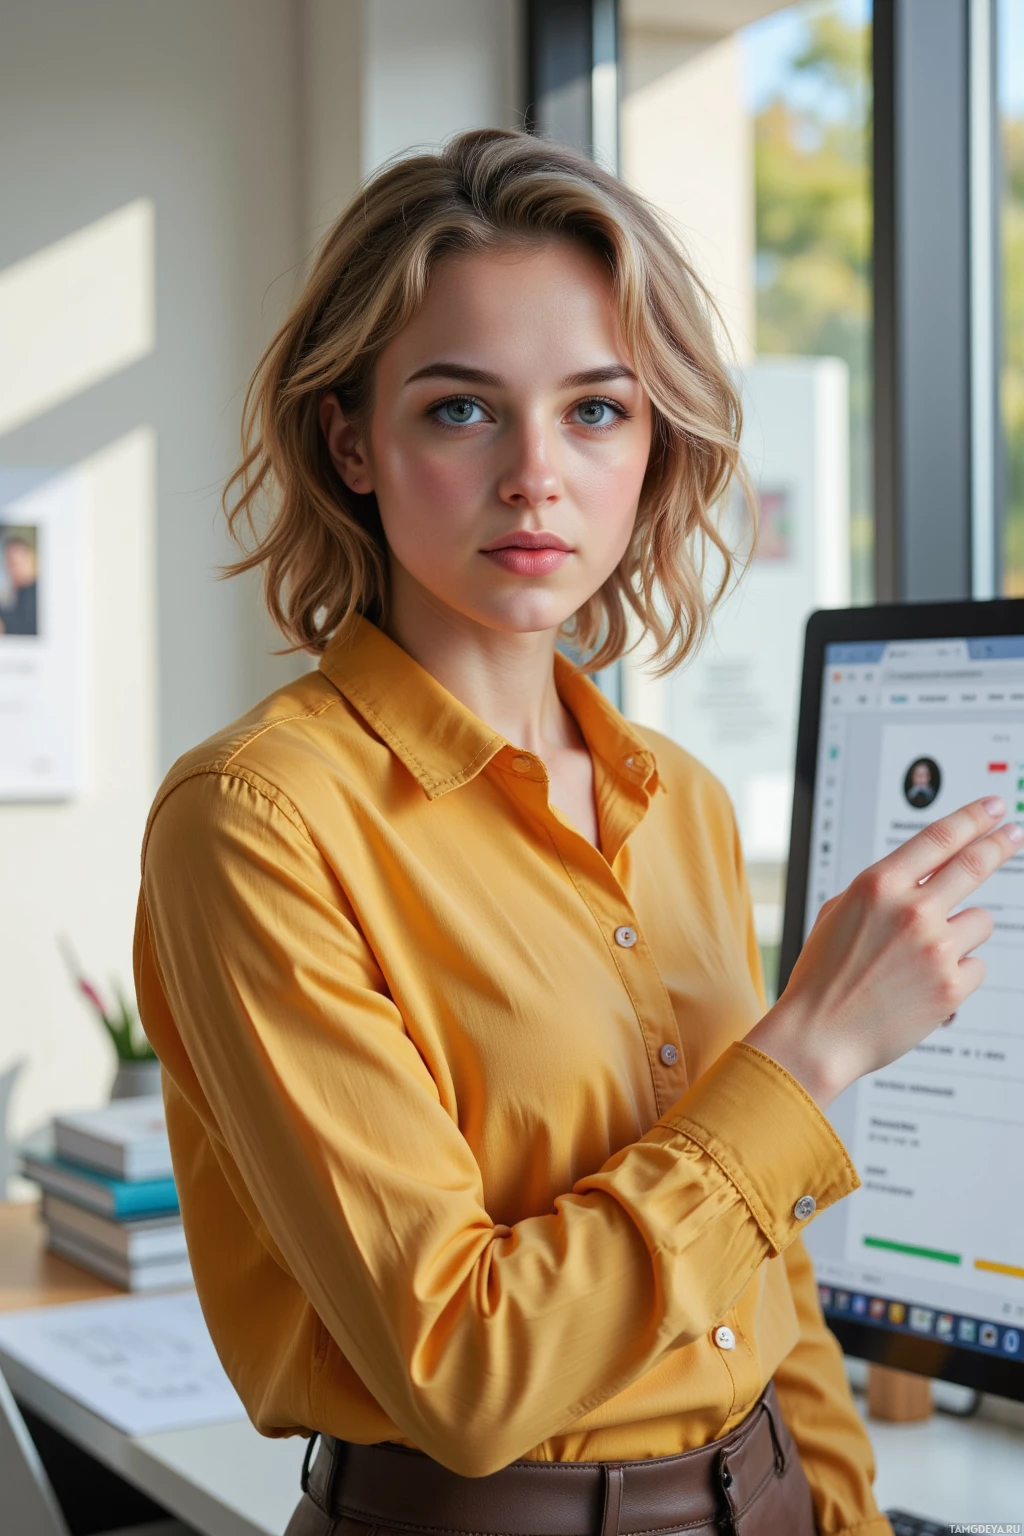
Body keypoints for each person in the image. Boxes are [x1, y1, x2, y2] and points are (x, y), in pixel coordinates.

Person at [134, 131, 1020, 1536]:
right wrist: (809, 1053)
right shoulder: (256, 822)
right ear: (351, 440)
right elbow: (462, 1367)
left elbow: (764, 1264)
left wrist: (843, 1515)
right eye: (461, 409)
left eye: (597, 409)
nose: (536, 475)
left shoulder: (682, 802)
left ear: (655, 440)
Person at [0, 533, 38, 636]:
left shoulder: (37, 593)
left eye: (14, 563)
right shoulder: (16, 592)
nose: (9, 569)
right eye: (8, 563)